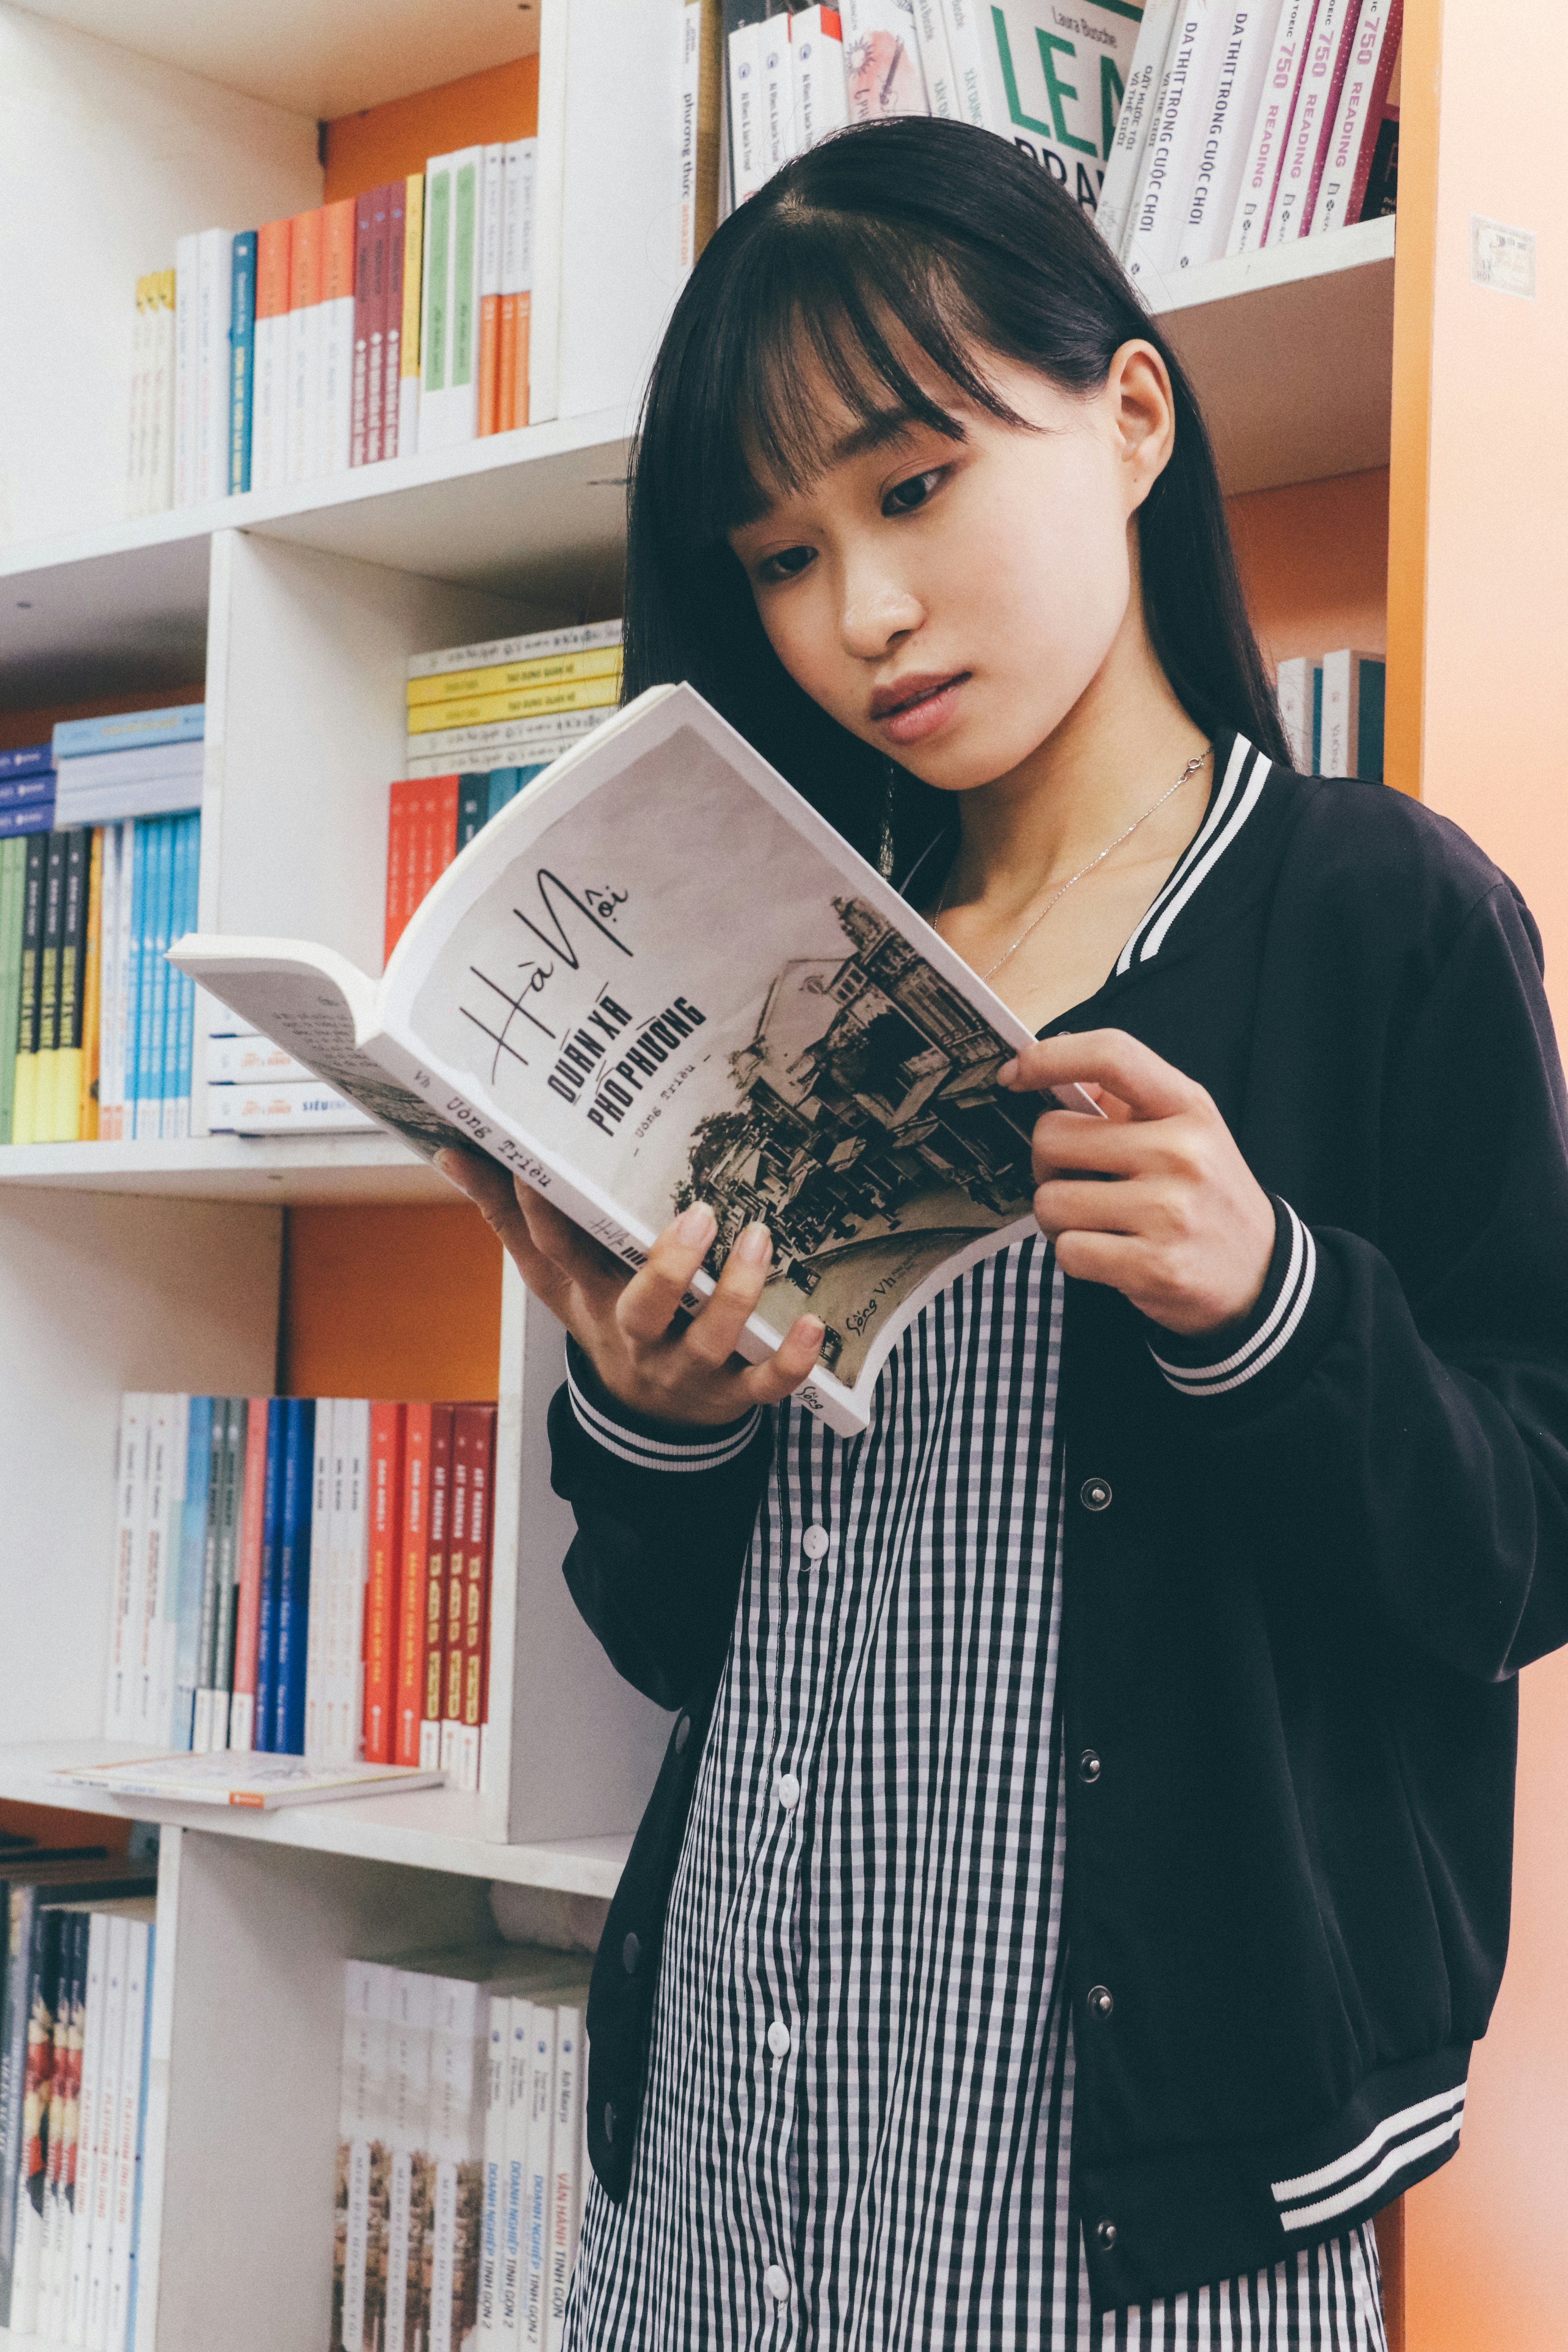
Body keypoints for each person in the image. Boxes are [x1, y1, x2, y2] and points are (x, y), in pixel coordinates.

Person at [439, 117, 1568, 2348]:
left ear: (1131, 417)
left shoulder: (1370, 920)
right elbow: (685, 1645)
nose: (858, 611)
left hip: (1126, 2198)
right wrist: (653, 1417)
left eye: (915, 487)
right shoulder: (787, 952)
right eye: (776, 555)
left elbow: (1524, 1542)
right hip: (734, 2139)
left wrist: (1272, 1301)